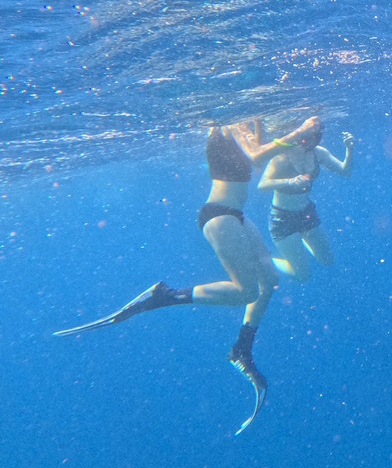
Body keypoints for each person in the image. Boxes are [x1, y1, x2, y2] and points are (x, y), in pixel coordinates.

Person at [54, 118, 306, 435]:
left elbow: (254, 151)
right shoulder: (224, 129)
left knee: (269, 279)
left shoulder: (236, 128)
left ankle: (242, 349)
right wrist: (297, 134)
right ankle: (166, 296)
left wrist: (263, 128)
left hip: (235, 216)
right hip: (220, 217)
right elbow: (255, 158)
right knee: (246, 292)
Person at [258, 116, 353, 281]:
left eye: (317, 136)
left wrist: (349, 149)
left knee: (326, 260)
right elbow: (262, 184)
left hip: (307, 213)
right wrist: (289, 181)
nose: (314, 140)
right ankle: (262, 259)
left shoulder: (318, 153)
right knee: (302, 275)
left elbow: (345, 171)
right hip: (282, 219)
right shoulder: (282, 156)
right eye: (312, 136)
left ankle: (300, 238)